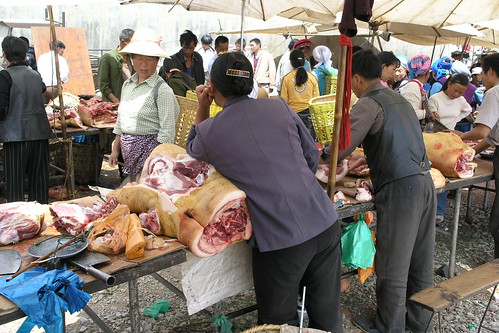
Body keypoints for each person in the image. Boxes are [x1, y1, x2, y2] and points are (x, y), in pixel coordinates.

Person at [186, 51, 343, 332]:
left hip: (282, 239)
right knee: (327, 316)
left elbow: (192, 149)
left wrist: (202, 105)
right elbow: (310, 157)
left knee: (279, 323)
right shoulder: (279, 107)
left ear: (213, 86)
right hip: (324, 221)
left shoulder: (210, 131)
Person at [338, 49, 435, 333]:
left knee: (392, 265)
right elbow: (400, 140)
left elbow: (342, 147)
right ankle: (418, 323)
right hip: (424, 182)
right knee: (420, 262)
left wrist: (323, 153)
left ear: (355, 78)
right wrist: (369, 157)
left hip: (400, 189)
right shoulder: (399, 99)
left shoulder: (368, 103)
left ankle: (388, 327)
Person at [109, 28, 180, 183]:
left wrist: (154, 162)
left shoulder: (162, 90)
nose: (144, 64)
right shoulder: (128, 84)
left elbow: (167, 132)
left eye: (149, 59)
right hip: (128, 154)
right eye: (139, 59)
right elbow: (121, 121)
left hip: (151, 156)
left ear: (157, 61)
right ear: (132, 60)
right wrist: (115, 150)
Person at [454, 53, 499, 258]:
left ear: (490, 71)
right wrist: (472, 152)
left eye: (482, 71)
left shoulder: (494, 92)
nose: (481, 76)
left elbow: (482, 131)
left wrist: (461, 137)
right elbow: (491, 137)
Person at [0, 36, 54, 203]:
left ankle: (19, 223)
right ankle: (40, 220)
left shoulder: (4, 76)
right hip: (40, 135)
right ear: (25, 55)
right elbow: (43, 89)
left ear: (5, 55)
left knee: (15, 185)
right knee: (39, 183)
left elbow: (1, 109)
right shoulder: (35, 75)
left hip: (15, 137)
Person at [429, 73, 472, 224]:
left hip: (451, 141)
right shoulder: (435, 98)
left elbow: (468, 111)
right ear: (449, 84)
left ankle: (439, 211)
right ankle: (428, 210)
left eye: (461, 92)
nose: (457, 94)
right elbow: (430, 118)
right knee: (434, 174)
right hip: (435, 141)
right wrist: (433, 116)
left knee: (446, 177)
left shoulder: (461, 101)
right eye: (455, 90)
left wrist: (456, 120)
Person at [281, 50, 319, 140]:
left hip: (292, 115)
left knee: (295, 142)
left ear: (291, 63)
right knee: (309, 143)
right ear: (304, 61)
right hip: (310, 116)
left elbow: (283, 101)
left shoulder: (286, 79)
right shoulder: (312, 78)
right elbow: (316, 100)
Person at [98, 28, 134, 103]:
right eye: (132, 44)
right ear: (123, 42)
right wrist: (116, 101)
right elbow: (103, 86)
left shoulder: (133, 59)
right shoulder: (107, 58)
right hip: (113, 105)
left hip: (129, 102)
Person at [400, 54, 433, 124]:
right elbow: (412, 113)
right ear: (427, 73)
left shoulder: (417, 86)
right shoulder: (413, 86)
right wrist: (428, 113)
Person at [37, 40, 69, 104]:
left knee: (44, 108)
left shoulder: (41, 57)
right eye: (62, 49)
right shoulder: (61, 59)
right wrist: (61, 81)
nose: (63, 52)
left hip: (43, 88)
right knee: (60, 108)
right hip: (55, 88)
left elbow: (39, 71)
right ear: (58, 48)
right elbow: (64, 75)